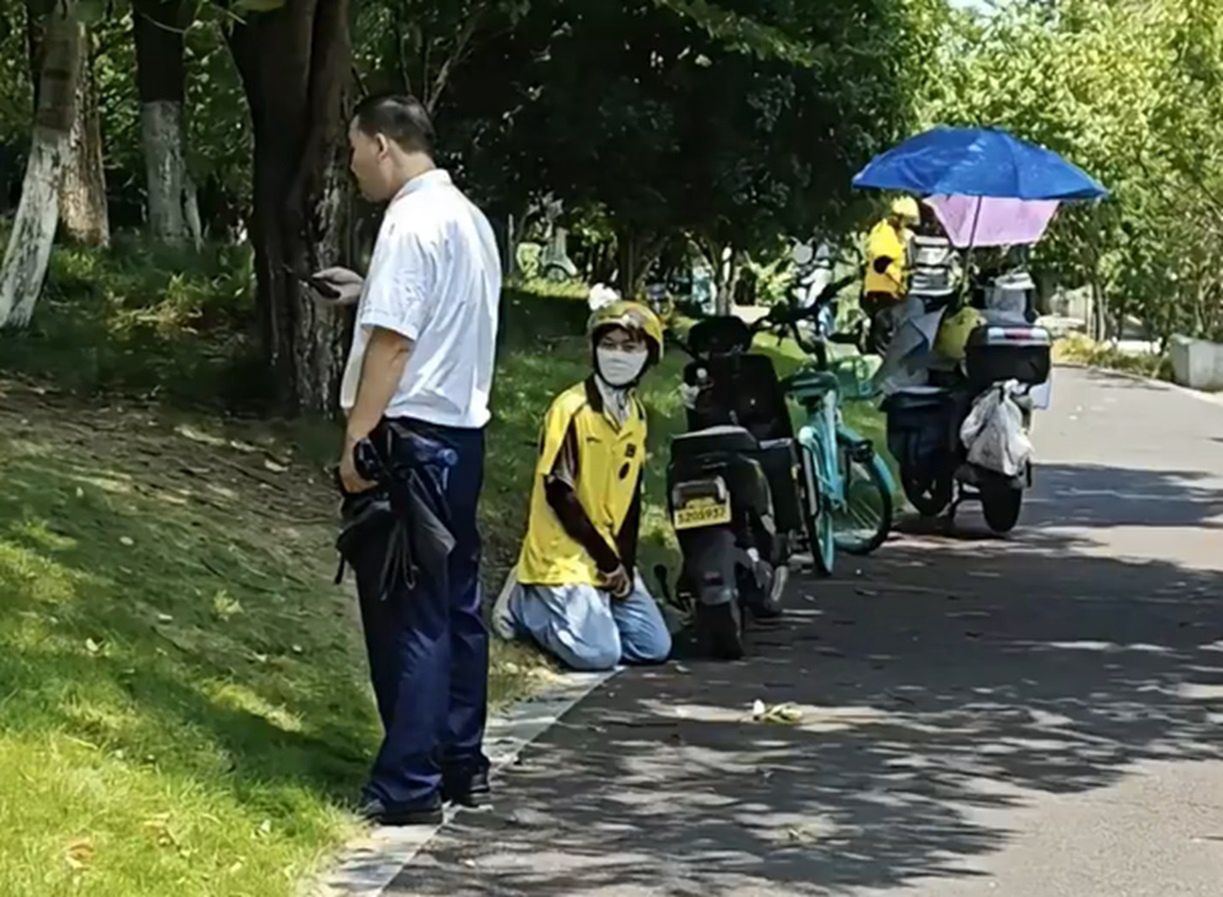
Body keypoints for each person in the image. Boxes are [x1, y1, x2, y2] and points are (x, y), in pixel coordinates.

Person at [310, 94, 501, 827]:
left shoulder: (409, 222)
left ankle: (406, 785)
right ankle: (462, 762)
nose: (353, 165)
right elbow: (439, 318)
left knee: (406, 613)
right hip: (462, 436)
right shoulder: (468, 221)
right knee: (454, 604)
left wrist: (357, 438)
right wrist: (365, 297)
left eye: (356, 149)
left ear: (385, 146)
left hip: (410, 439)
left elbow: (394, 344)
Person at [491, 301, 672, 672]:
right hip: (564, 556)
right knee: (599, 655)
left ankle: (594, 612)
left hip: (605, 555)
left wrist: (623, 565)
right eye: (610, 344)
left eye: (630, 347)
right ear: (593, 349)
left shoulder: (635, 415)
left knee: (653, 646)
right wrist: (607, 561)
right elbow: (560, 492)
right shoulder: (571, 409)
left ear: (648, 356)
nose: (618, 356)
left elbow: (631, 496)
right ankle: (524, 601)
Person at [862, 196, 920, 353]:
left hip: (892, 293)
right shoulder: (883, 232)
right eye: (907, 220)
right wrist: (900, 280)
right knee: (884, 334)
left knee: (891, 332)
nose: (908, 225)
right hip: (881, 292)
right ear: (899, 217)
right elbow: (881, 262)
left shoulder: (898, 234)